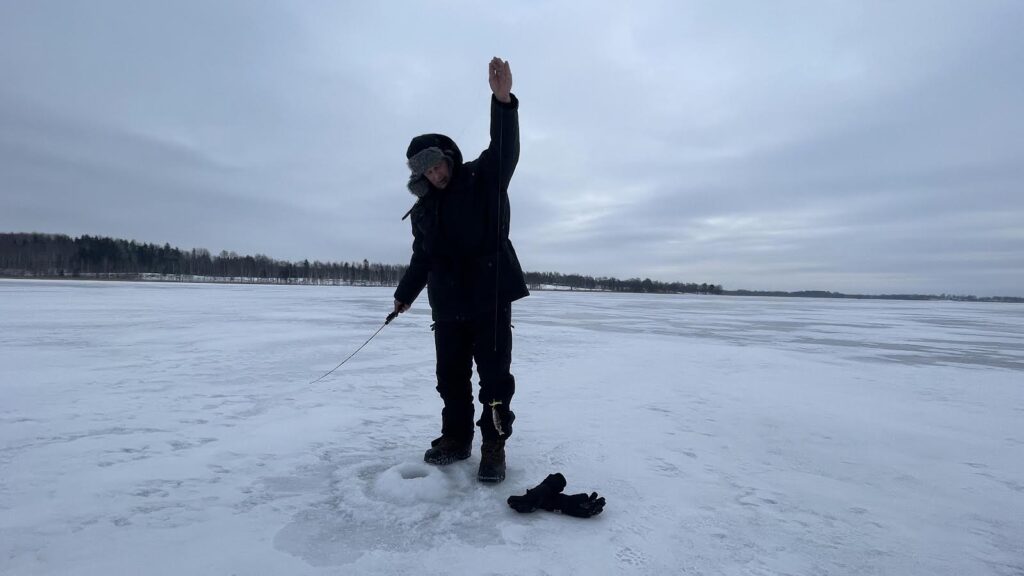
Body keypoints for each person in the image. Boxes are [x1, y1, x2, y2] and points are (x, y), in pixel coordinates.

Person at [392, 57, 529, 483]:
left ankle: (493, 445)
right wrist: (404, 294)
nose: (435, 174)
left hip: (488, 297)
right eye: (426, 171)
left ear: (449, 159)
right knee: (450, 379)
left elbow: (504, 149)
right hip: (448, 304)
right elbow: (423, 256)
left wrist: (502, 102)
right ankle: (456, 438)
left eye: (438, 165)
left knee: (494, 381)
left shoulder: (481, 179)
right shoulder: (423, 210)